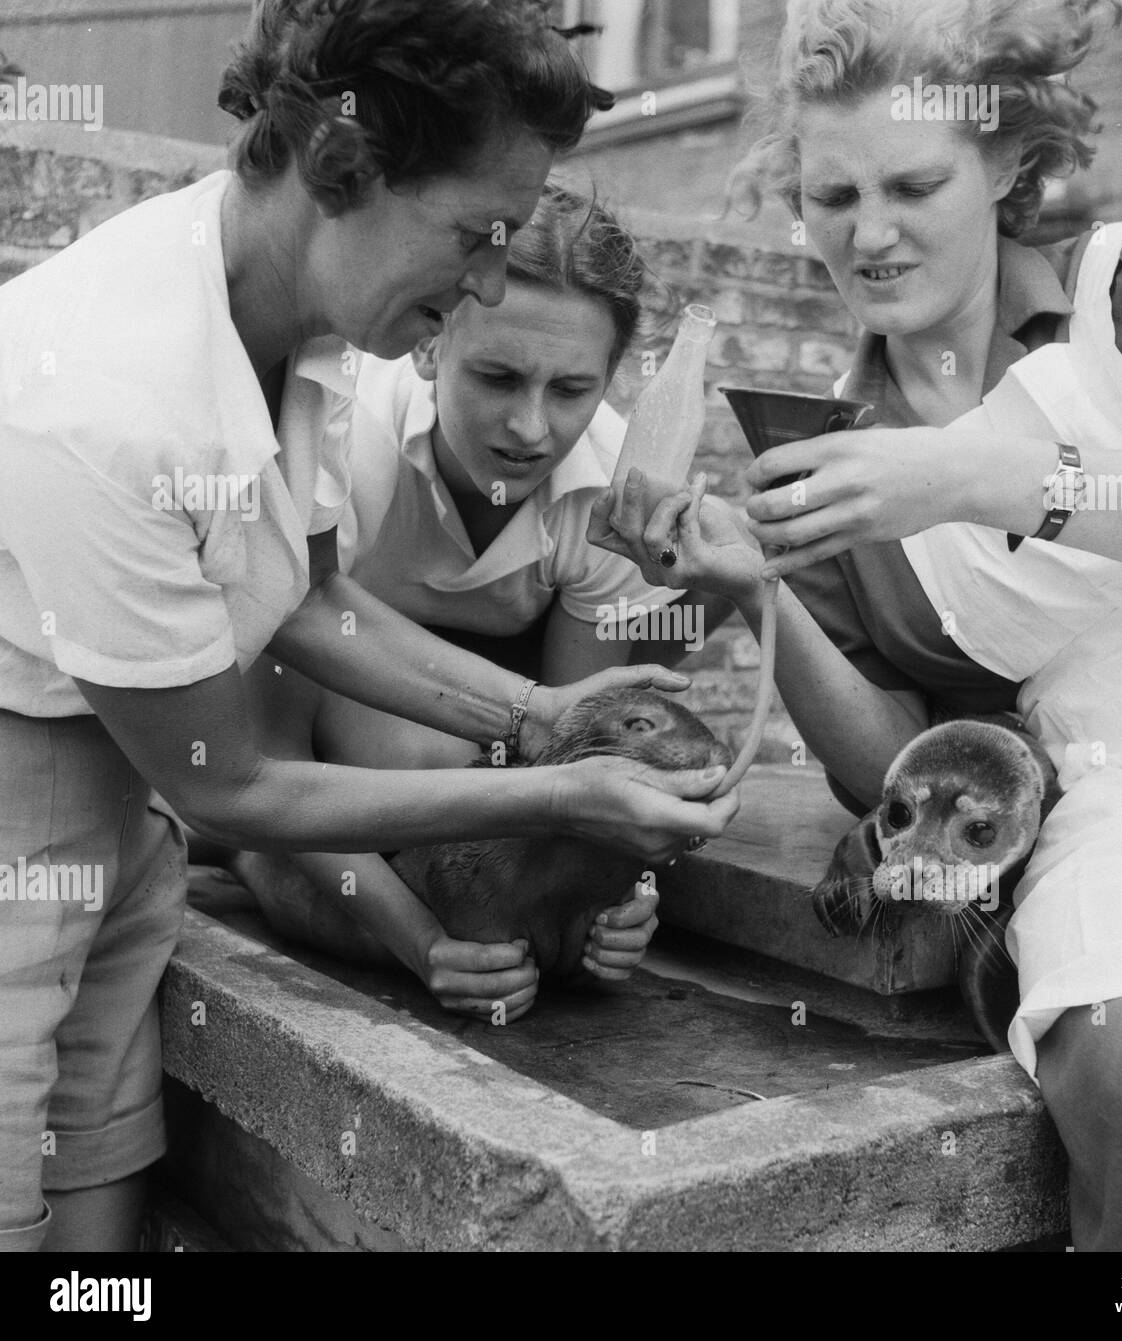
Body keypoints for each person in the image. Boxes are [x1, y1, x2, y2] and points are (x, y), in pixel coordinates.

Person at [0, 0, 736, 1254]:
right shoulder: (110, 403)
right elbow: (230, 784)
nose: (488, 280)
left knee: (98, 1162)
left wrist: (539, 715)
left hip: (123, 796)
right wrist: (560, 794)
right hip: (27, 794)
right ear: (341, 167)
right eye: (475, 235)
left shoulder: (298, 321)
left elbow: (308, 598)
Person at [600, 0, 1122, 1250]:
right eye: (832, 196)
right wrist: (755, 594)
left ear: (1007, 162)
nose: (869, 233)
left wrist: (974, 476)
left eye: (914, 184)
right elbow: (891, 769)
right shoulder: (825, 450)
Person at [233, 181, 730, 1016]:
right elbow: (267, 768)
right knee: (401, 772)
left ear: (610, 378)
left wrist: (615, 900)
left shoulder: (608, 494)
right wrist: (420, 942)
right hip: (317, 736)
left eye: (571, 390)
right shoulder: (342, 440)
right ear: (429, 343)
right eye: (498, 377)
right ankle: (250, 869)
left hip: (491, 738)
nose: (531, 428)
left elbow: (569, 756)